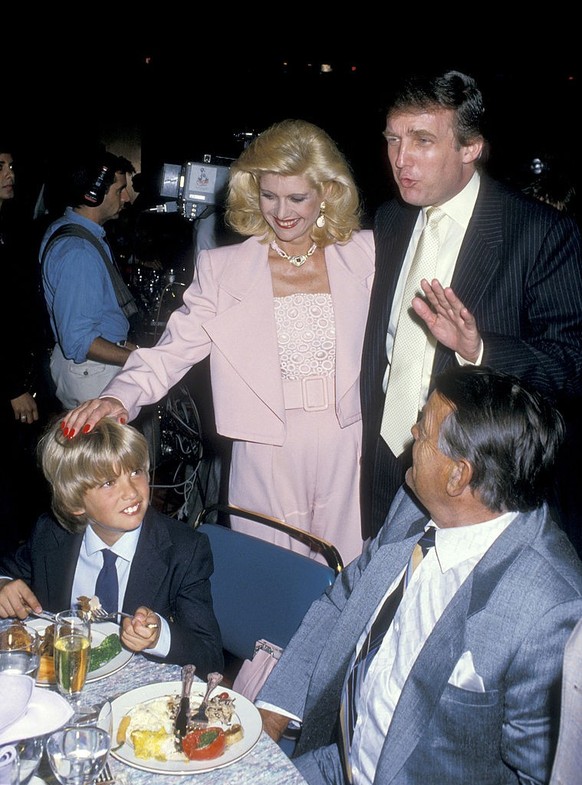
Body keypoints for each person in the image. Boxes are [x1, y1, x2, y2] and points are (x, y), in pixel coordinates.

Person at [59, 119, 375, 566]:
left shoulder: (368, 254)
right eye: (269, 195)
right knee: (269, 583)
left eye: (297, 198)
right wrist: (119, 397)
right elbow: (172, 351)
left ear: (326, 192)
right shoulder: (224, 270)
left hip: (350, 442)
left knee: (349, 578)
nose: (282, 212)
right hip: (263, 447)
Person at [257, 365, 582, 785]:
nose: (412, 432)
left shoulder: (551, 613)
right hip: (339, 764)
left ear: (457, 475)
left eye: (424, 432)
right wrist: (270, 718)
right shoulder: (414, 506)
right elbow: (344, 599)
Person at [360, 69, 582, 543]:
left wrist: (479, 348)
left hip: (479, 480)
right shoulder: (390, 219)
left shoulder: (539, 234)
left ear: (470, 148)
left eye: (422, 141)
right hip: (387, 458)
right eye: (393, 139)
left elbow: (571, 366)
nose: (401, 160)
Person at [0, 417, 224, 674]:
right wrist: (3, 585)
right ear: (75, 504)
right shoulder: (51, 533)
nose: (132, 492)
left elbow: (210, 657)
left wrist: (159, 637)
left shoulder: (184, 550)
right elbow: (6, 571)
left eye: (135, 472)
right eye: (108, 482)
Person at [40, 146, 140, 410]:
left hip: (90, 370)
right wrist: (134, 360)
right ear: (94, 194)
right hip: (93, 375)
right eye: (120, 190)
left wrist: (130, 348)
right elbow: (80, 341)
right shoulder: (79, 252)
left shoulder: (68, 228)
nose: (127, 197)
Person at [0, 140, 54, 549]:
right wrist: (13, 385)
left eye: (12, 164)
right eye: (1, 166)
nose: (10, 174)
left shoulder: (9, 226)